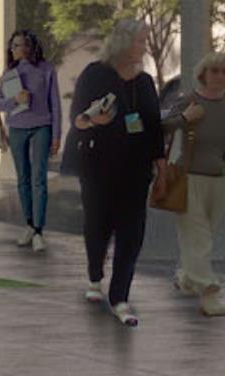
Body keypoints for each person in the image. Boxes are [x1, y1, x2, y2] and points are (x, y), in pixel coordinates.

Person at [64, 40, 159, 321]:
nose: (141, 48)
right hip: (96, 164)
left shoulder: (144, 82)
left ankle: (120, 296)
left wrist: (160, 160)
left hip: (135, 168)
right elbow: (77, 118)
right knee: (97, 225)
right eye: (138, 41)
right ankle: (95, 275)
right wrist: (94, 121)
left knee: (131, 232)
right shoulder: (95, 74)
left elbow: (153, 123)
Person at [158, 53, 225, 320]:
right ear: (203, 74)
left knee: (203, 235)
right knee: (199, 237)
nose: (219, 76)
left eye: (224, 72)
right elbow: (161, 127)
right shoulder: (188, 100)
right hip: (188, 179)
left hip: (219, 179)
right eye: (214, 71)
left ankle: (186, 276)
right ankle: (210, 292)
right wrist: (185, 118)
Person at [0, 30, 47, 239]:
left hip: (42, 126)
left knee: (39, 179)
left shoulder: (46, 69)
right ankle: (28, 224)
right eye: (15, 46)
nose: (20, 49)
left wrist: (56, 136)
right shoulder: (8, 75)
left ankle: (38, 230)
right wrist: (15, 100)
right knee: (23, 180)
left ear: (31, 47)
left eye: (24, 45)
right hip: (16, 128)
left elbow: (54, 104)